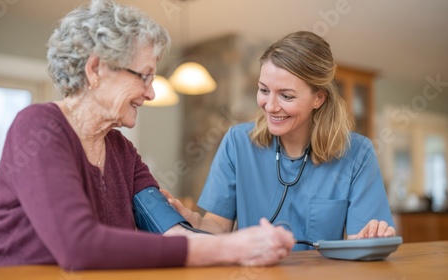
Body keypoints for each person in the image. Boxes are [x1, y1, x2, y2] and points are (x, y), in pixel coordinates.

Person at [0, 0, 295, 270]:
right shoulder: (39, 127)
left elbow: (171, 232)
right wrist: (229, 248)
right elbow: (79, 247)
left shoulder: (122, 151)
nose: (151, 93)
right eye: (144, 76)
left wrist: (249, 246)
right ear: (96, 69)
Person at [166, 31, 396, 251]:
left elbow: (360, 242)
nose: (271, 106)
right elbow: (218, 227)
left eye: (286, 96)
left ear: (318, 98)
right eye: (264, 90)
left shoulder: (357, 154)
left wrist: (370, 240)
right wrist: (193, 220)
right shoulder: (237, 143)